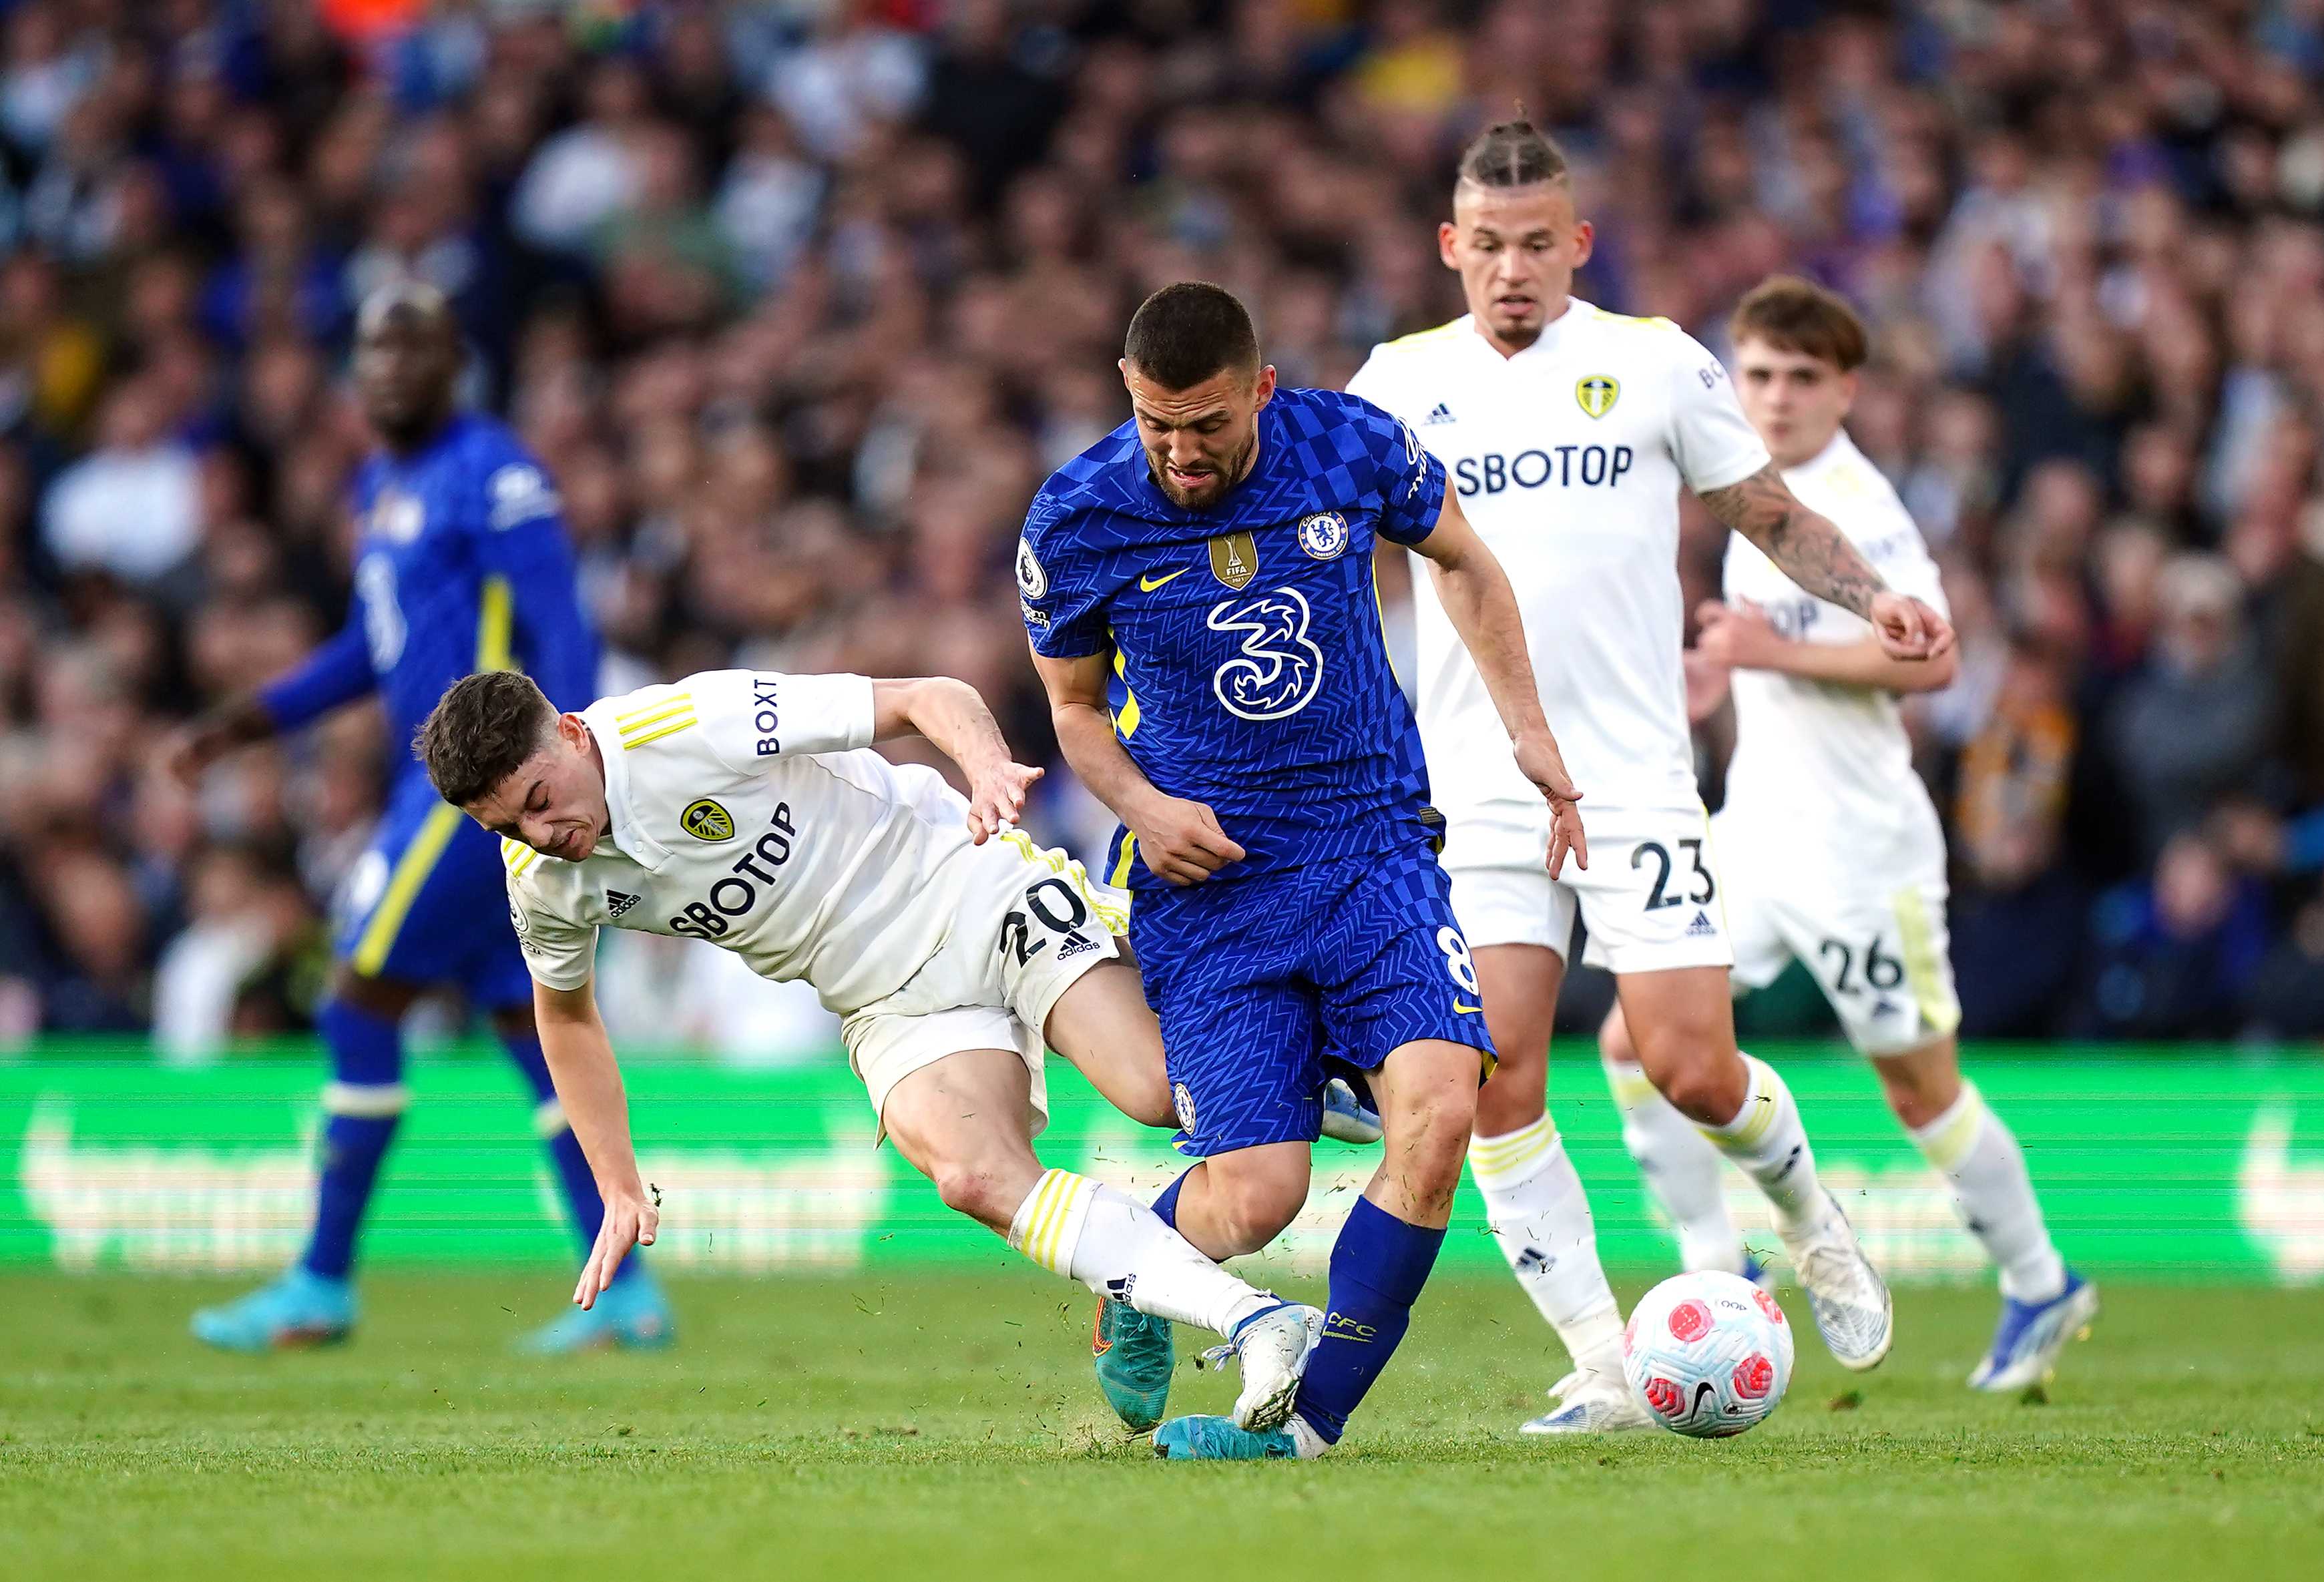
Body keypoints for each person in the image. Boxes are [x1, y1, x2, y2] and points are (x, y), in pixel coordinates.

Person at [1346, 123, 1945, 1434]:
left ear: (1579, 246)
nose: (1512, 270)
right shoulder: (1392, 385)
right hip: (1478, 784)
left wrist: (1878, 594)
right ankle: (1607, 1362)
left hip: (1628, 776)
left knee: (1687, 1067)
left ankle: (1808, 1216)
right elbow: (1329, 565)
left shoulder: (1653, 362)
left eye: (1537, 245)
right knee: (1492, 1081)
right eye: (1488, 246)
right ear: (1451, 248)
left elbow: (1771, 513)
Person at [417, 666, 1319, 1434]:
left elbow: (927, 695)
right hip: (883, 998)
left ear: (573, 734)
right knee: (973, 1177)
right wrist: (615, 1180)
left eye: (539, 800)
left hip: (962, 879)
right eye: (509, 827)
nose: (542, 833)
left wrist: (988, 768)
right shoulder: (544, 882)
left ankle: (1327, 1054)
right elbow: (565, 1016)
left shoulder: (684, 725)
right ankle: (1244, 1316)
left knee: (1156, 1090)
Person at [1022, 280, 1584, 1460]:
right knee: (1257, 1196)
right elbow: (1072, 712)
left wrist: (1525, 724)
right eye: (1155, 423)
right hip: (1211, 885)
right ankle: (1137, 1277)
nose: (1179, 451)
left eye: (1208, 423)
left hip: (1374, 846)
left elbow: (1466, 561)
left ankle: (1305, 1429)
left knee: (1438, 1118)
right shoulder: (1073, 518)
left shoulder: (1347, 443)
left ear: (1261, 390)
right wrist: (1140, 804)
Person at [168, 283, 660, 1354]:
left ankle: (320, 1280)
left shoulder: (498, 475)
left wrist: (582, 765)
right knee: (529, 1035)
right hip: (424, 786)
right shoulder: (382, 483)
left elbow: (560, 626)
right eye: (373, 356)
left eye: (411, 353)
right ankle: (624, 1291)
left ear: (452, 367)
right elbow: (368, 644)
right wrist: (251, 718)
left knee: (357, 1000)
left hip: (474, 789)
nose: (387, 373)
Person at [1663, 274, 2095, 1390]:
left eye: (1803, 377)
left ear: (1846, 387)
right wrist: (1724, 669)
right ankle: (1718, 1270)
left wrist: (1773, 655)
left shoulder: (1860, 504)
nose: (1777, 396)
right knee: (1644, 1043)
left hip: (1863, 852)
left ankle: (2042, 1279)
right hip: (1756, 829)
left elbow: (1936, 657)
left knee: (1921, 1089)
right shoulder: (1744, 493)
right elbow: (1762, 644)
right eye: (1757, 373)